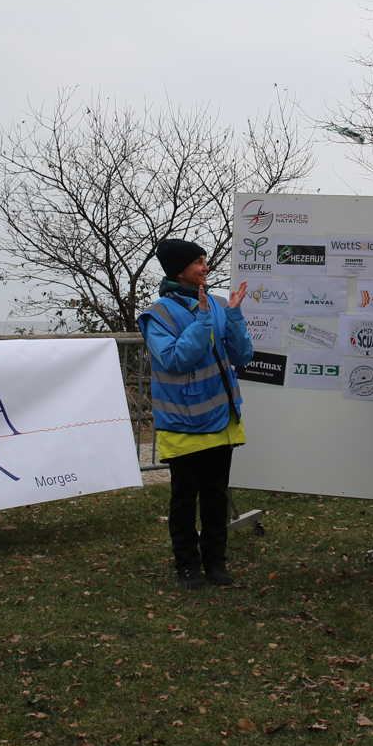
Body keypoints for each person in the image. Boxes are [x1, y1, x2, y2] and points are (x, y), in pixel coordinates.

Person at [139, 239, 254, 590]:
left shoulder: (217, 303)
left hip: (220, 418)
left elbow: (242, 356)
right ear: (179, 271)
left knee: (217, 496)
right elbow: (176, 360)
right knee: (185, 498)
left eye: (205, 260)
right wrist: (202, 321)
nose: (206, 267)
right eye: (198, 262)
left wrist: (233, 315)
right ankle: (187, 566)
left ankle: (216, 563)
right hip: (183, 423)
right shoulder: (157, 314)